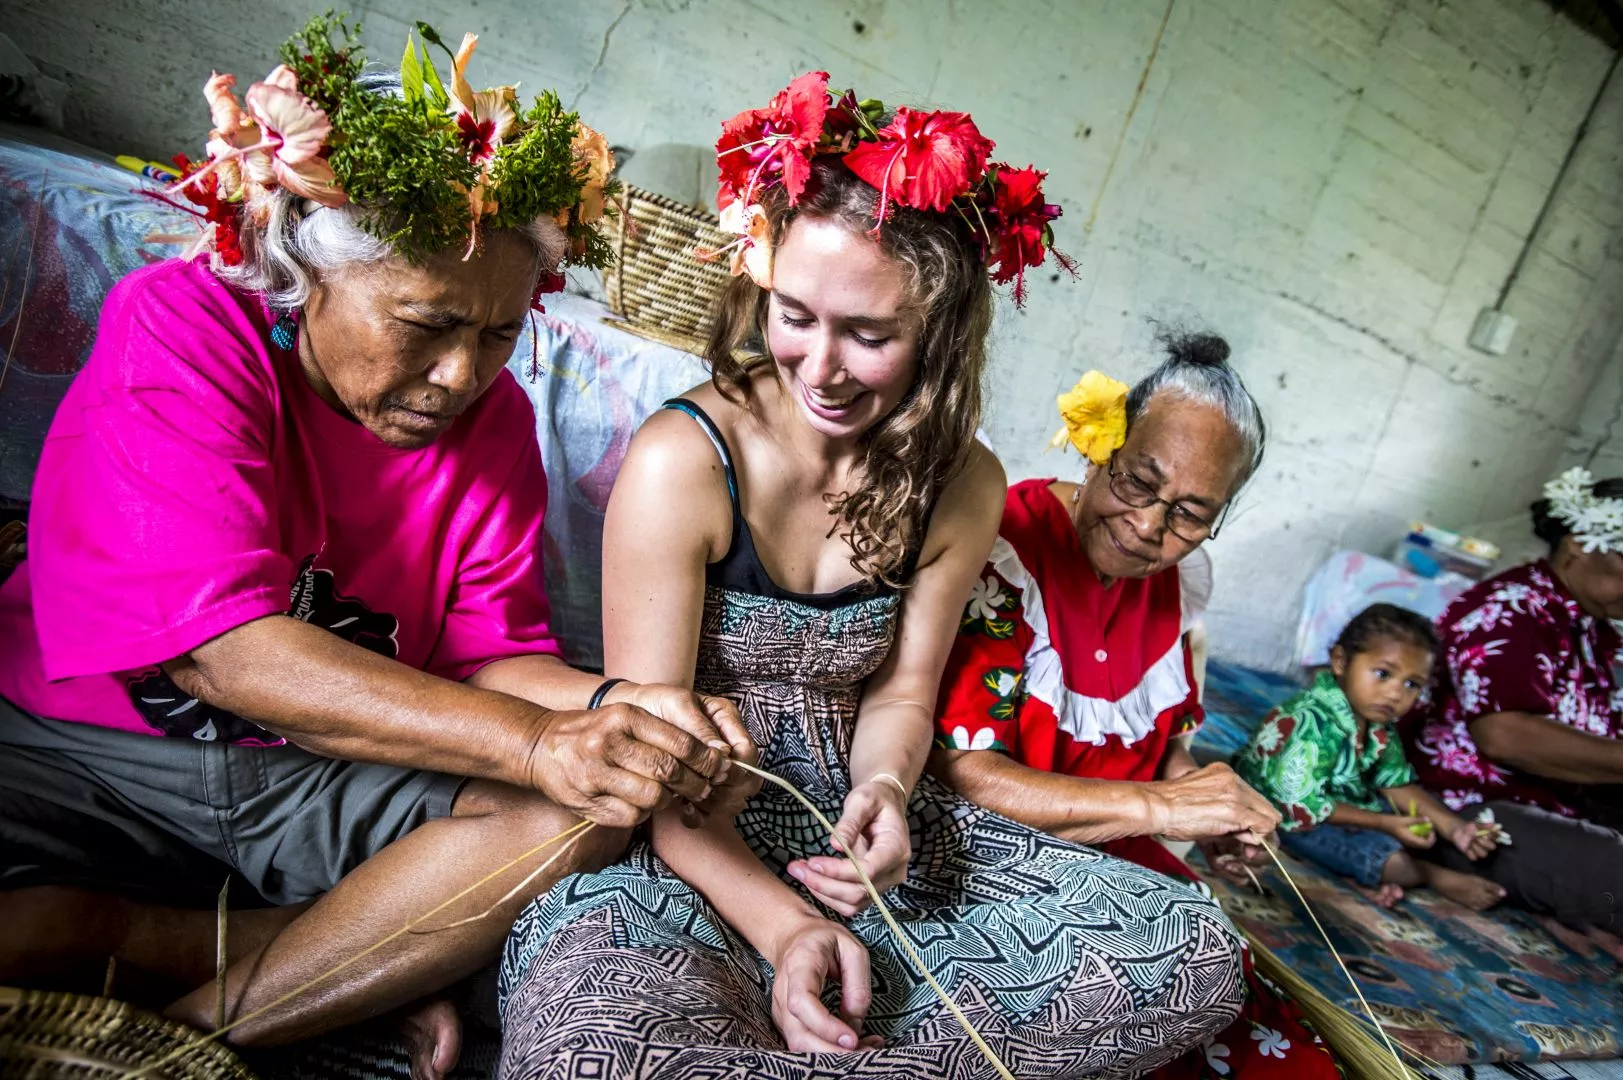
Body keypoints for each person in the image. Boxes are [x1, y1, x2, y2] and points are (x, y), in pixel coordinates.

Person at [0, 18, 750, 1079]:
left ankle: (199, 1038)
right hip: (85, 743)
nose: (459, 376)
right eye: (425, 322)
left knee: (580, 818)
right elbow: (226, 655)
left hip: (310, 773)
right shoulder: (187, 326)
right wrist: (535, 743)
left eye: (496, 336)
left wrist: (613, 710)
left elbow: (490, 658)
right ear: (309, 274)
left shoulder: (491, 431)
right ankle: (293, 960)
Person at [497, 74, 1245, 1078]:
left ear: (938, 332)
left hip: (850, 814)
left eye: (870, 335)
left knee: (1194, 953)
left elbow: (899, 690)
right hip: (690, 828)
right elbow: (653, 753)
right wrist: (784, 930)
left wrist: (886, 794)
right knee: (597, 1046)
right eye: (794, 315)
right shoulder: (687, 459)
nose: (821, 368)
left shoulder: (963, 484)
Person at [930, 338, 1341, 1079]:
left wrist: (1205, 808)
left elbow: (1162, 751)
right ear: (1101, 447)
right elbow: (964, 775)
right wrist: (1160, 809)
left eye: (1189, 514)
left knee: (1265, 1038)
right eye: (1137, 483)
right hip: (980, 862)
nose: (1149, 527)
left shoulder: (1176, 585)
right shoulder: (1004, 547)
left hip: (1114, 853)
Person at [1402, 467, 1623, 961]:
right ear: (1580, 545)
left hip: (1556, 803)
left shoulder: (1593, 627)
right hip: (1464, 814)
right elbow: (1502, 735)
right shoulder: (1511, 610)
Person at [1235, 604, 1505, 910]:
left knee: (1417, 828)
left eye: (1411, 684)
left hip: (1337, 804)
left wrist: (1455, 828)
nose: (1395, 693)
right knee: (1371, 849)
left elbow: (1395, 782)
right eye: (1383, 674)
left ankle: (1383, 868)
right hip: (1281, 809)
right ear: (1341, 661)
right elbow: (1301, 806)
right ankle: (1427, 875)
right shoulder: (1309, 721)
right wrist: (1385, 823)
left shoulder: (1379, 724)